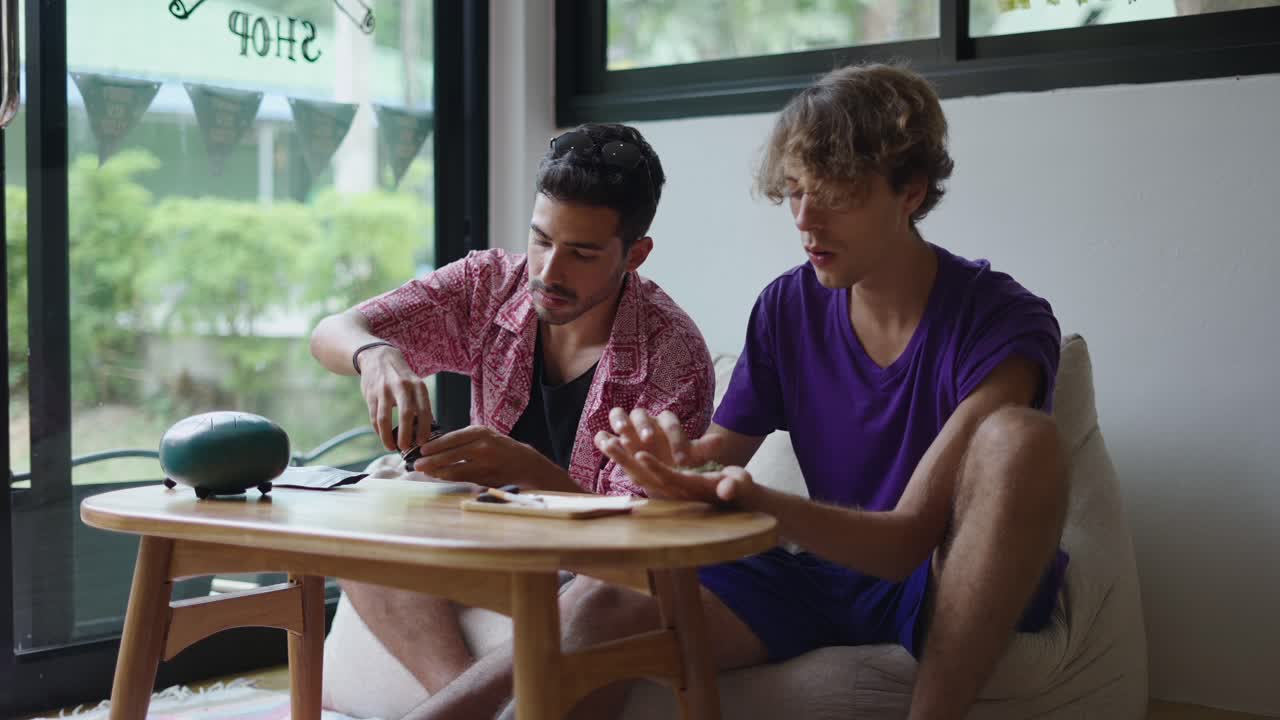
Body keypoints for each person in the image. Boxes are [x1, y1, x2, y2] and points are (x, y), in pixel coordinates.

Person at [592, 62, 1069, 720]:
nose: (805, 219)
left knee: (1023, 439)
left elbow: (906, 542)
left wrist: (760, 501)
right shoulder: (787, 307)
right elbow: (719, 455)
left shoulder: (1002, 321)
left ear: (910, 192)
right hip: (823, 574)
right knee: (598, 607)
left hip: (940, 575)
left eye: (834, 193)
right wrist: (673, 459)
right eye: (794, 192)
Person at [308, 122, 715, 701]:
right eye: (542, 239)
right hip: (492, 546)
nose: (548, 273)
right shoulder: (492, 285)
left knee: (605, 603)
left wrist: (527, 471)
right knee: (361, 515)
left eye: (581, 253)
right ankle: (455, 697)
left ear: (635, 255)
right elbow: (332, 331)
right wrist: (376, 357)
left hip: (589, 575)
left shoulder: (672, 357)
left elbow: (639, 545)